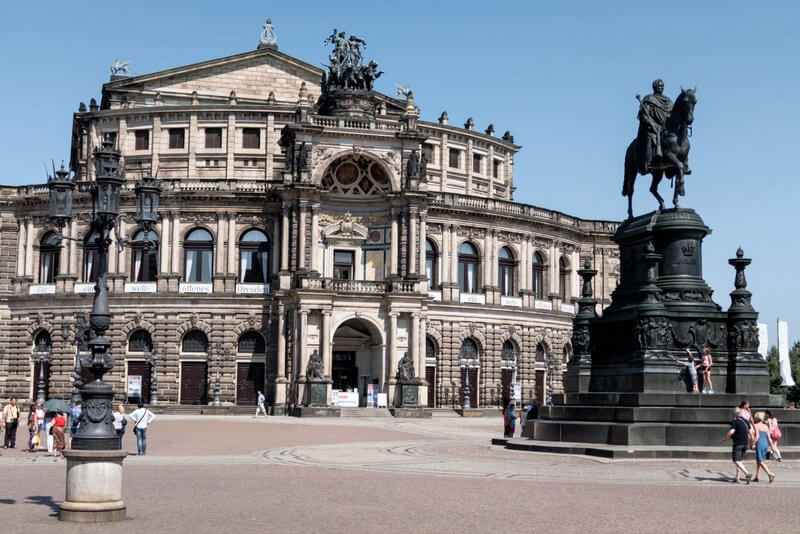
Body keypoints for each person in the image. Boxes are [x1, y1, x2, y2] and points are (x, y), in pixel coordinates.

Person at [636, 79, 673, 173]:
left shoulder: (668, 101)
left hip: (665, 127)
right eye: (660, 86)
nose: (662, 87)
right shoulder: (649, 99)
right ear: (655, 87)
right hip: (652, 127)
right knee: (650, 137)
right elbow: (644, 115)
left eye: (663, 86)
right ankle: (647, 162)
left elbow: (672, 115)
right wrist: (651, 123)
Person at [722, 407, 752, 483]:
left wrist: (725, 439)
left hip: (738, 444)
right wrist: (752, 442)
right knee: (740, 461)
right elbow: (750, 433)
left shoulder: (735, 422)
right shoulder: (745, 421)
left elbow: (731, 432)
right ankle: (737, 477)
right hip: (745, 444)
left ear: (733, 414)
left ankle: (747, 473)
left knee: (736, 461)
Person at [751, 412, 776, 483]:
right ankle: (757, 476)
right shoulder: (765, 426)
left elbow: (756, 437)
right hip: (765, 444)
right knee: (759, 460)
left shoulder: (755, 426)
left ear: (756, 418)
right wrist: (772, 447)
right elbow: (769, 438)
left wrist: (752, 443)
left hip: (759, 444)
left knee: (760, 461)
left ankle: (770, 474)